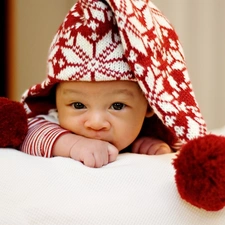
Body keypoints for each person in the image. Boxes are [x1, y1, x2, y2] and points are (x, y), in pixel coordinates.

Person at [20, 0, 207, 168]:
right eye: (78, 105)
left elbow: (179, 145)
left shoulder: (152, 131)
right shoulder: (52, 121)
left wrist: (152, 144)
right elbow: (25, 133)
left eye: (117, 106)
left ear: (150, 105)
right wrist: (72, 144)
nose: (96, 123)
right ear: (55, 99)